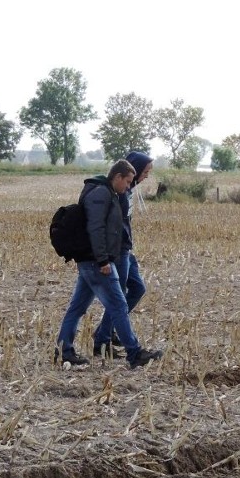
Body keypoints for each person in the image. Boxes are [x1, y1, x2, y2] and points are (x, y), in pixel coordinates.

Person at [55, 159, 163, 368]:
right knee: (119, 305)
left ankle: (63, 351)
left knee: (77, 308)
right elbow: (96, 229)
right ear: (117, 177)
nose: (128, 186)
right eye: (127, 181)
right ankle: (135, 354)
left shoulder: (105, 192)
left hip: (91, 261)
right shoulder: (100, 194)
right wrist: (103, 259)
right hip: (96, 262)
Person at [92, 151, 153, 358]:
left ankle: (106, 331)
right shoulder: (119, 192)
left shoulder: (129, 191)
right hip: (118, 251)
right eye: (145, 171)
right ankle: (103, 340)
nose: (146, 176)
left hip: (126, 249)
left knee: (137, 288)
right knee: (117, 298)